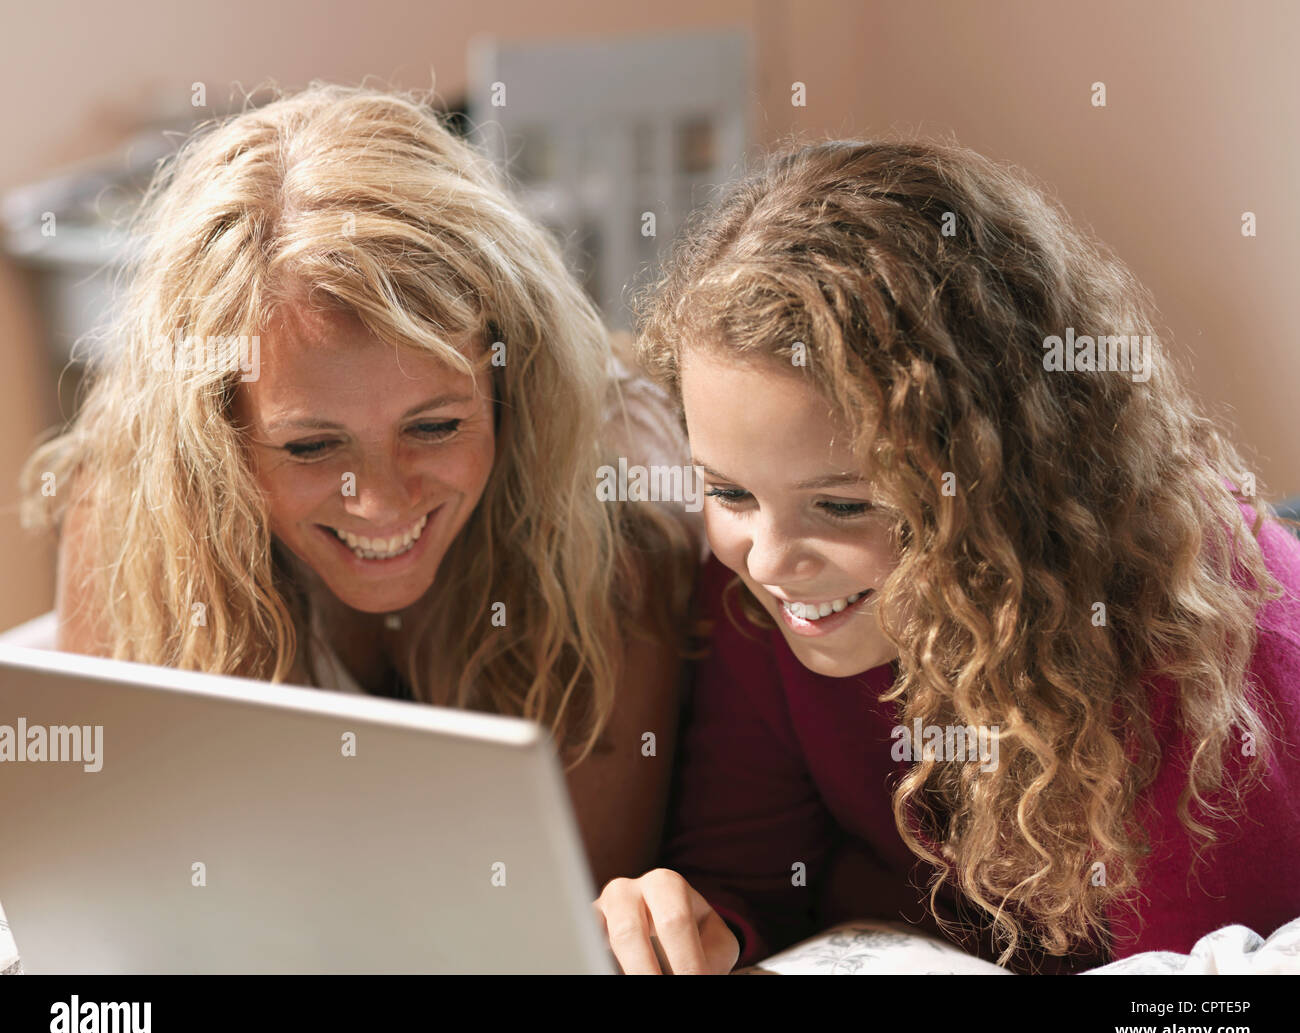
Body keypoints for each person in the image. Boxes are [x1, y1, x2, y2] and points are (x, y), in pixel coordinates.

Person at [595, 138, 1300, 974]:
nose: (773, 559)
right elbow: (752, 880)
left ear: (1008, 473)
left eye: (844, 505)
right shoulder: (761, 594)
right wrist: (685, 922)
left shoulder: (1200, 638)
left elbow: (1199, 1001)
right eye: (730, 492)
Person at [20, 82, 700, 890]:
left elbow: (579, 916)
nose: (379, 501)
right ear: (214, 435)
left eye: (435, 427)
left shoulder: (617, 516)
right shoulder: (132, 497)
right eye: (310, 444)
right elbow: (114, 892)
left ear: (511, 387)